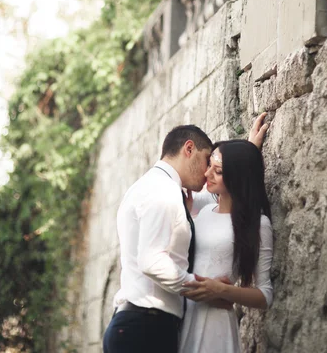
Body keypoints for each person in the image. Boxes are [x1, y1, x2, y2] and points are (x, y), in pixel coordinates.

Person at [102, 115, 268, 353]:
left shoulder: (149, 186)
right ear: (189, 149)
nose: (206, 173)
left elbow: (228, 188)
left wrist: (247, 152)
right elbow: (152, 262)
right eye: (205, 161)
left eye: (215, 167)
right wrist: (205, 289)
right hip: (145, 326)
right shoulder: (164, 193)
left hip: (143, 324)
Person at [179, 135, 273, 353]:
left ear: (237, 177)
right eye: (209, 165)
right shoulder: (202, 210)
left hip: (215, 323)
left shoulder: (258, 224)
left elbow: (265, 294)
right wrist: (246, 146)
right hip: (183, 314)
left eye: (218, 171)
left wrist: (223, 290)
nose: (207, 174)